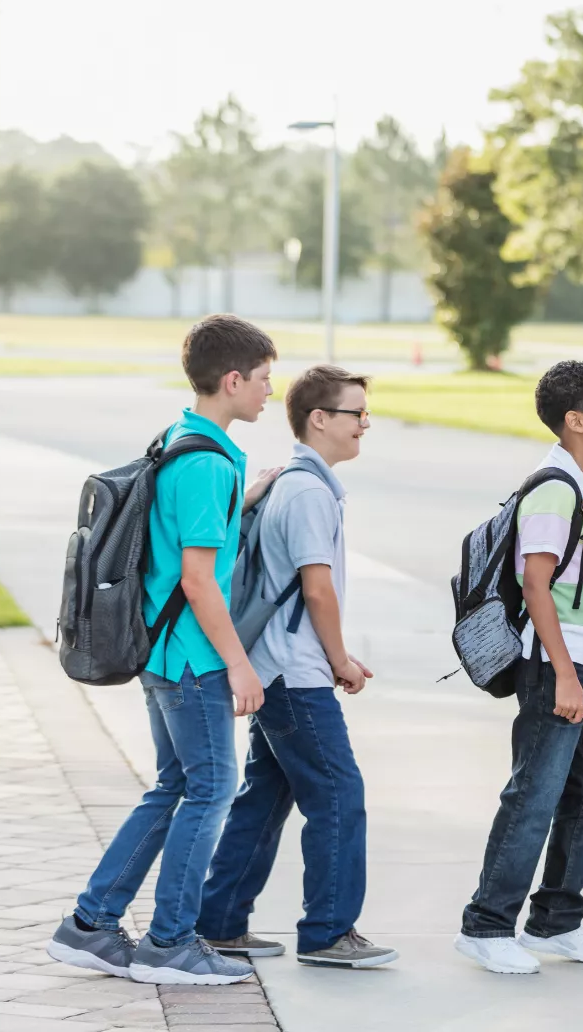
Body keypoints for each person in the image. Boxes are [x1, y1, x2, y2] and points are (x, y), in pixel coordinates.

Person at [48, 314, 276, 986]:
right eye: (263, 379)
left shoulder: (180, 440)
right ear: (232, 380)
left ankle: (90, 925)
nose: (270, 391)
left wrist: (248, 492)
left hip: (157, 651)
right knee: (211, 790)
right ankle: (169, 943)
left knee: (176, 786)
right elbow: (199, 580)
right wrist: (240, 663)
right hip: (193, 660)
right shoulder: (207, 465)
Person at [196, 365, 396, 970]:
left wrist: (334, 655)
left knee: (265, 797)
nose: (366, 423)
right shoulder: (309, 492)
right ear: (319, 419)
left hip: (278, 668)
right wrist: (339, 661)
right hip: (296, 675)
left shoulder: (295, 482)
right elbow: (317, 591)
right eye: (355, 413)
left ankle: (222, 921)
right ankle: (329, 932)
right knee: (338, 795)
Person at [455, 360, 583, 975]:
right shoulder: (555, 489)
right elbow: (536, 586)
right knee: (534, 795)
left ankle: (556, 923)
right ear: (576, 421)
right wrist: (562, 672)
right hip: (553, 666)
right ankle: (486, 924)